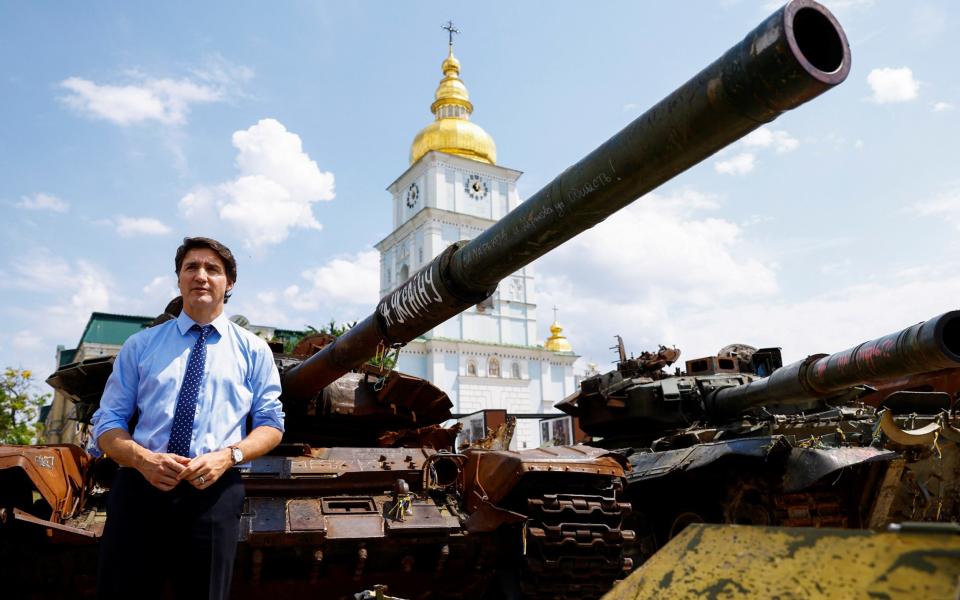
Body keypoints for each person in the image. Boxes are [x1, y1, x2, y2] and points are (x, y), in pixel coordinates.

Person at [91, 236, 285, 600]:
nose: (201, 275)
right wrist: (144, 459)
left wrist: (228, 456)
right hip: (140, 487)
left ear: (229, 284)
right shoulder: (141, 345)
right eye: (191, 267)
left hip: (214, 493)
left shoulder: (254, 351)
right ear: (178, 279)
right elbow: (107, 423)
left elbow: (271, 425)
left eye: (213, 269)